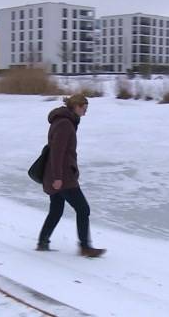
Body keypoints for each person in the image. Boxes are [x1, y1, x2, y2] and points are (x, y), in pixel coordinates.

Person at [37, 94, 106, 258]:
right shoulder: (64, 124)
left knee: (56, 210)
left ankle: (42, 242)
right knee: (83, 209)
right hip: (63, 176)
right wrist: (58, 177)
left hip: (59, 173)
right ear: (76, 106)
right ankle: (85, 247)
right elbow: (57, 153)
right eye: (84, 108)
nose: (85, 112)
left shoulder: (64, 121)